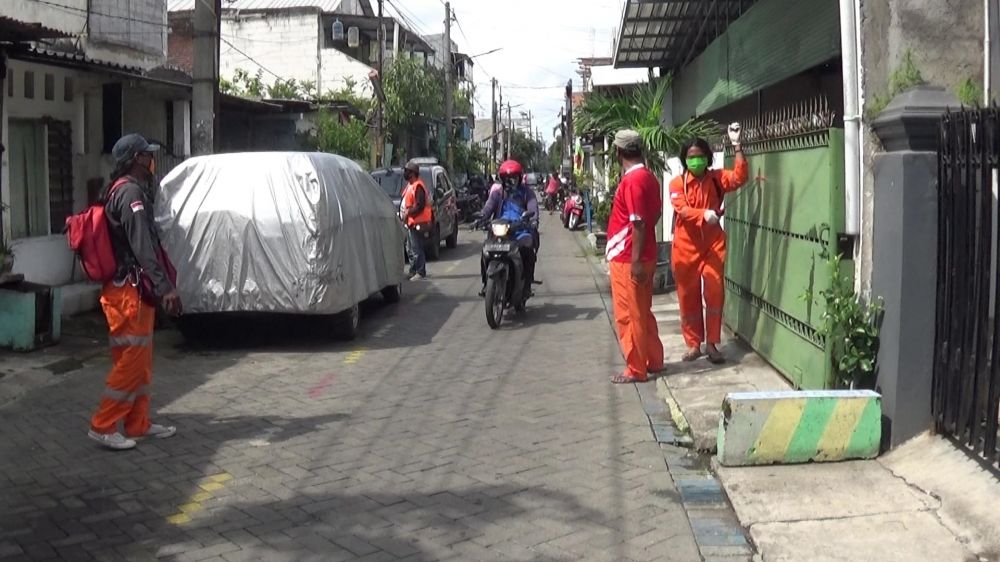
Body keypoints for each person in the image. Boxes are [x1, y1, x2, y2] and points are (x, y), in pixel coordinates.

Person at [88, 134, 182, 450]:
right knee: (131, 361)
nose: (152, 160)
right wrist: (165, 288)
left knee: (138, 361)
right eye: (148, 155)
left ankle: (137, 423)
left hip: (126, 291)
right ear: (137, 159)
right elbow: (144, 248)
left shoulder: (124, 190)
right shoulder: (131, 195)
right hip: (128, 293)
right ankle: (102, 425)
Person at [670, 123, 748, 364]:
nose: (696, 161)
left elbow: (739, 177)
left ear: (708, 158)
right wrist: (704, 214)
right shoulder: (677, 183)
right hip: (685, 248)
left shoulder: (716, 179)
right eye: (691, 158)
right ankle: (694, 345)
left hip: (713, 245)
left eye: (700, 157)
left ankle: (713, 344)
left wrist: (737, 146)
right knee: (688, 296)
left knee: (714, 293)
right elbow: (682, 210)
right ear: (685, 160)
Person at [606, 130, 664, 384]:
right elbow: (653, 216)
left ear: (618, 152)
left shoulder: (632, 181)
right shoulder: (649, 178)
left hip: (628, 257)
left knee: (629, 315)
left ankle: (637, 367)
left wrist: (636, 260)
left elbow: (638, 222)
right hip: (640, 253)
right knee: (642, 311)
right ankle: (653, 359)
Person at [477, 159, 539, 297]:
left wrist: (533, 220)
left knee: (528, 251)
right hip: (500, 231)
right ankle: (486, 284)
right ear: (502, 179)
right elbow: (488, 207)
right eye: (507, 178)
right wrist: (481, 217)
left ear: (519, 178)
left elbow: (533, 207)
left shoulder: (527, 193)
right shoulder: (497, 193)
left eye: (513, 178)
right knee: (485, 250)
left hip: (520, 231)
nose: (510, 181)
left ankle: (526, 285)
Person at [401, 160, 432, 280]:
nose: (405, 174)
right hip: (410, 222)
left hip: (417, 222)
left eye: (407, 171)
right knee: (410, 247)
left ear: (413, 173)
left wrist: (408, 212)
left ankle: (420, 271)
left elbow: (420, 205)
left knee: (416, 247)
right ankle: (413, 270)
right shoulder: (411, 185)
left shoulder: (418, 185)